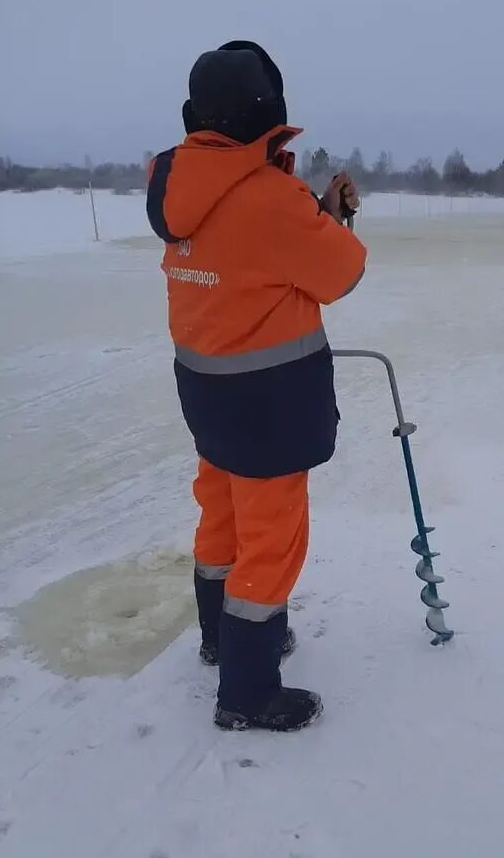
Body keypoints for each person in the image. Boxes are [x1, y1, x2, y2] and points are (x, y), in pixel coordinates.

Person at [146, 40, 366, 731]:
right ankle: (247, 691)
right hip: (267, 407)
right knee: (270, 543)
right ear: (269, 114)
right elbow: (340, 272)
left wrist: (312, 208)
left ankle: (219, 638)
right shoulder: (272, 199)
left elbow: (245, 252)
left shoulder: (171, 184)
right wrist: (329, 215)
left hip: (207, 397)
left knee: (221, 517)